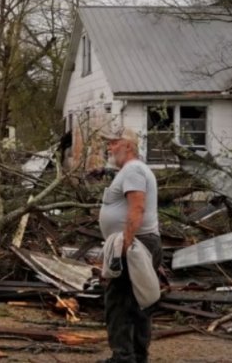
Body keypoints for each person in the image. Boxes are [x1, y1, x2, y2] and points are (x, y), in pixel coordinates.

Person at [98, 128, 162, 363]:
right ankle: (136, 355)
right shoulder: (135, 170)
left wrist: (125, 244)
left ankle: (123, 357)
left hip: (135, 244)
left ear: (128, 145)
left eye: (114, 142)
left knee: (119, 301)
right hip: (142, 242)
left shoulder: (133, 169)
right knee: (137, 301)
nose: (109, 147)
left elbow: (137, 207)